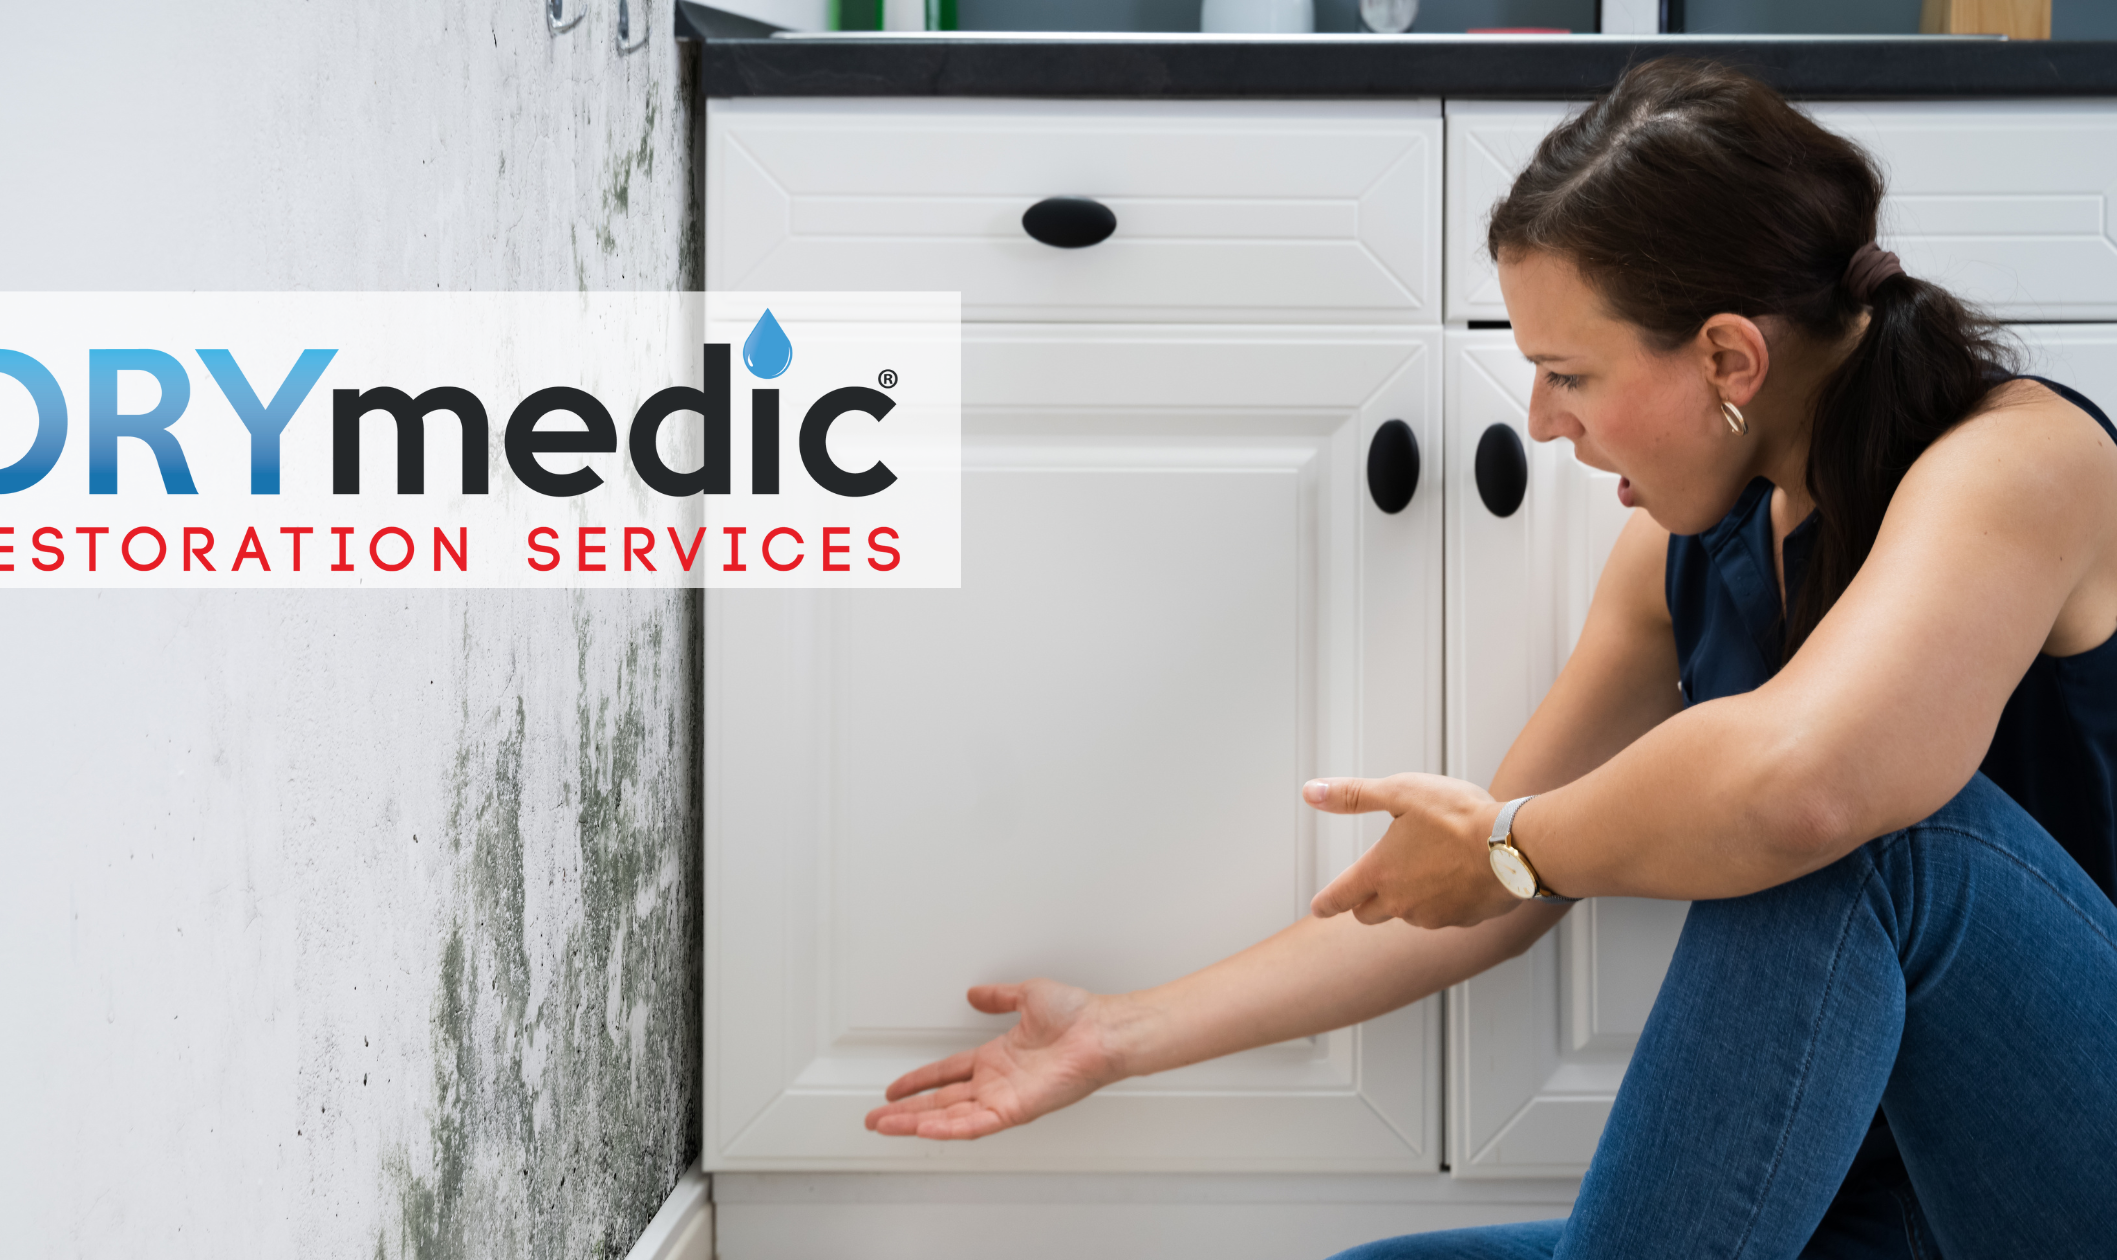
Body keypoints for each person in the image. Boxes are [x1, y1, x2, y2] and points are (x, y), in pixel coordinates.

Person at [863, 59, 2117, 1259]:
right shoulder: (1677, 555)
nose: (1540, 421)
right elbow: (1484, 897)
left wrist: (1511, 843)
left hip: (2067, 1173)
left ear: (1730, 358)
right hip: (1872, 1211)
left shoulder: (2018, 460)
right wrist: (1119, 1035)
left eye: (1566, 373)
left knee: (1861, 843)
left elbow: (1803, 791)